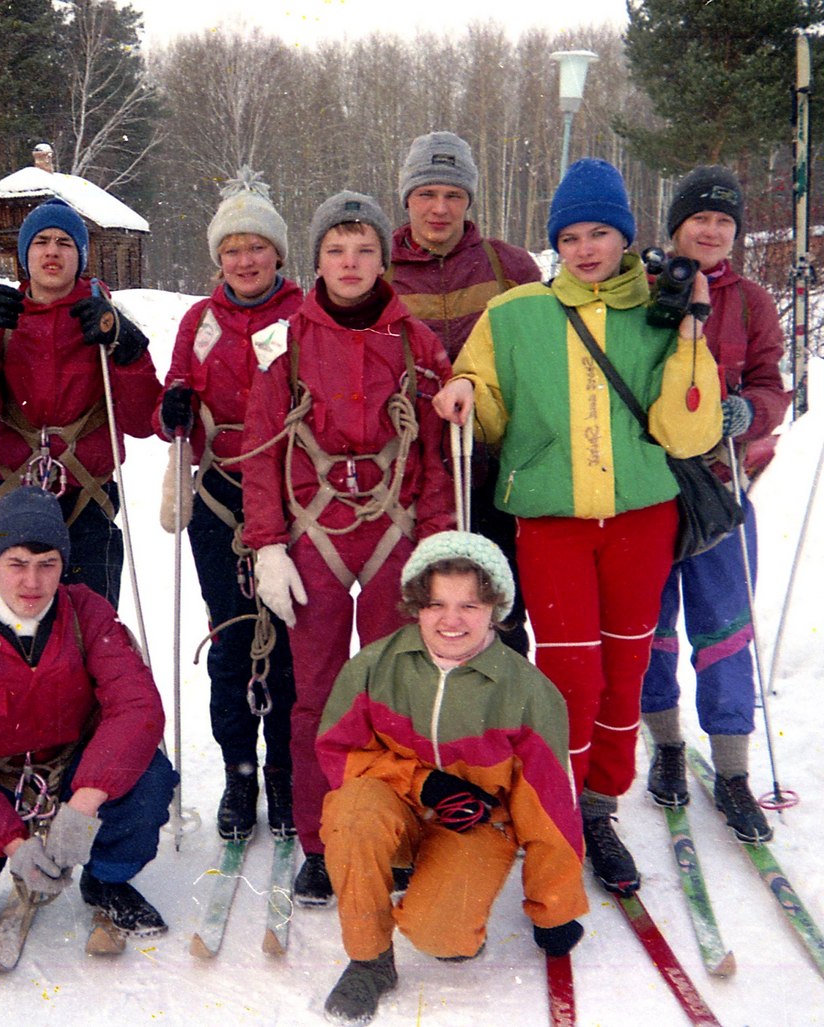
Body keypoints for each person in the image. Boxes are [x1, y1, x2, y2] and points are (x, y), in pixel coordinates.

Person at [433, 158, 723, 896]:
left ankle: (600, 807)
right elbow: (488, 396)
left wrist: (691, 330)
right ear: (555, 241)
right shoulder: (514, 312)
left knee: (625, 669)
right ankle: (557, 803)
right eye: (570, 234)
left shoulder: (658, 310)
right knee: (569, 674)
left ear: (624, 236)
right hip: (552, 520)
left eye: (600, 232)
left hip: (641, 518)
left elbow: (687, 434)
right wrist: (467, 389)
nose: (586, 247)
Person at [241, 191, 453, 906]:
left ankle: (391, 827)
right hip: (315, 534)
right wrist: (267, 544)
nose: (351, 263)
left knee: (394, 690)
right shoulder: (282, 342)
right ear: (317, 260)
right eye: (336, 250)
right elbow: (259, 450)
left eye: (364, 250)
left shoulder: (416, 342)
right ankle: (319, 837)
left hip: (394, 528)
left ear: (383, 259)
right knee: (319, 695)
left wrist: (437, 544)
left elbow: (438, 453)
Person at [316, 532, 587, 1026]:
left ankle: (438, 895)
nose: (451, 620)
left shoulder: (526, 690)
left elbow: (548, 806)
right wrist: (424, 784)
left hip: (475, 826)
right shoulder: (375, 666)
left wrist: (554, 908)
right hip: (393, 808)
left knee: (443, 940)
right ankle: (369, 962)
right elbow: (338, 753)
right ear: (416, 604)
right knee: (353, 813)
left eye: (470, 604)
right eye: (436, 603)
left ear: (495, 607)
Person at [0, 486, 177, 935]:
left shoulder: (87, 612)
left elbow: (137, 707)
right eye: (17, 564)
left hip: (73, 770)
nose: (32, 582)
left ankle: (106, 880)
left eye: (47, 565)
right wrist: (13, 842)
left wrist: (86, 801)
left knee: (149, 780)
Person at [641, 166, 791, 843]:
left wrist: (747, 410)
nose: (711, 230)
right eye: (700, 218)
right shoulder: (640, 289)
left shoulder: (752, 302)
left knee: (724, 626)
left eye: (724, 221)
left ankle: (732, 770)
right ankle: (668, 744)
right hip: (645, 484)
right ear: (676, 225)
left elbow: (772, 388)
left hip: (721, 490)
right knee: (648, 626)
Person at [156, 168, 302, 841]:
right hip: (219, 497)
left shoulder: (305, 312)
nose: (246, 260)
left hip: (298, 499)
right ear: (219, 259)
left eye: (257, 247)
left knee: (294, 640)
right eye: (232, 249)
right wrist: (174, 407)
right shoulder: (201, 320)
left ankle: (287, 773)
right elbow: (174, 399)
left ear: (278, 252)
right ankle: (240, 774)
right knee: (234, 636)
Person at [0, 197, 162, 607]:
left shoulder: (101, 322)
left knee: (92, 629)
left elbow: (140, 421)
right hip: (16, 494)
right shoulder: (1, 319)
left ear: (79, 255)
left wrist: (129, 352)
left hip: (88, 497)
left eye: (64, 242)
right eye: (41, 241)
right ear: (25, 254)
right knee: (20, 627)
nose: (52, 251)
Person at [389, 131, 542, 655]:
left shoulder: (510, 267)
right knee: (424, 612)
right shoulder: (378, 275)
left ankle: (503, 725)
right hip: (411, 477)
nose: (439, 208)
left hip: (497, 471)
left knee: (500, 608)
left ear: (469, 201)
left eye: (453, 195)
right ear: (406, 197)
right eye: (426, 193)